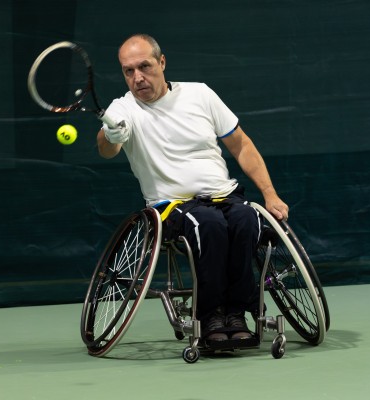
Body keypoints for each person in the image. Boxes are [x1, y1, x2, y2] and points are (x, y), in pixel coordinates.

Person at [96, 34, 289, 343]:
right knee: (208, 224)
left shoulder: (200, 94)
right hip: (172, 207)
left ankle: (236, 313)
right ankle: (210, 316)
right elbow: (107, 148)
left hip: (224, 195)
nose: (137, 77)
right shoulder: (122, 109)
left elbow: (241, 145)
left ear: (162, 62)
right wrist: (110, 136)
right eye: (128, 71)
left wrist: (270, 194)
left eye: (144, 67)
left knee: (247, 220)